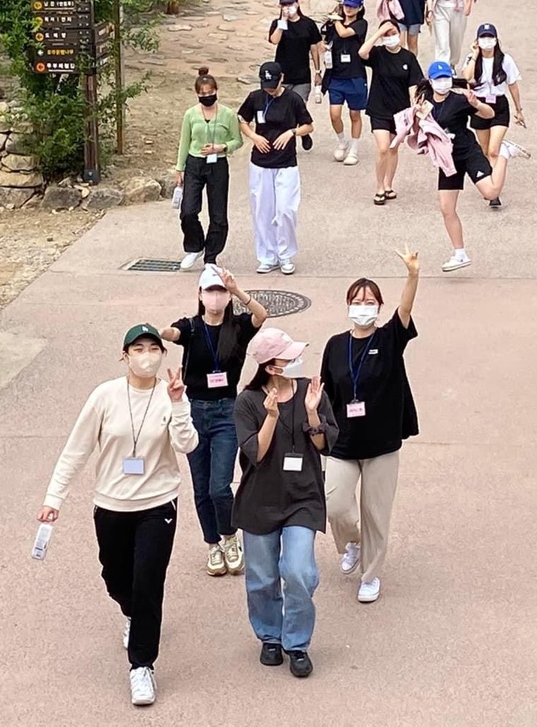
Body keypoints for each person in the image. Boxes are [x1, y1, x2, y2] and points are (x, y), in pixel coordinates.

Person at [38, 323, 197, 707]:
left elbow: (187, 444)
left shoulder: (171, 394)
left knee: (148, 582)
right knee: (116, 578)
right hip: (112, 504)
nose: (146, 356)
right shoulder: (104, 396)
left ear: (163, 354)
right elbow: (76, 449)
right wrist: (53, 498)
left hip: (158, 504)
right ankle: (130, 611)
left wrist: (178, 404)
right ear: (124, 356)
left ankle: (141, 665)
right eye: (138, 349)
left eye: (153, 349)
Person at [233, 327, 339, 679]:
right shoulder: (248, 402)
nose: (298, 360)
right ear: (271, 367)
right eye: (289, 357)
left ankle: (297, 643)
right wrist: (272, 417)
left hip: (302, 498)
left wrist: (312, 413)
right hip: (260, 501)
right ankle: (270, 636)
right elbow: (256, 453)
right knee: (262, 578)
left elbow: (325, 445)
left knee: (299, 572)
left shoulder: (312, 391)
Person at [321, 249, 420, 604]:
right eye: (357, 301)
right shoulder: (335, 345)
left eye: (369, 302)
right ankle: (353, 542)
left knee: (376, 513)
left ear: (379, 307)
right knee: (334, 503)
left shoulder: (389, 338)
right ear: (348, 305)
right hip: (343, 443)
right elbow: (326, 393)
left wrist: (412, 276)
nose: (362, 307)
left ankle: (370, 574)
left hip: (381, 443)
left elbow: (405, 309)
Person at [160, 265, 269, 579]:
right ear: (200, 294)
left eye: (220, 291)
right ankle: (212, 544)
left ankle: (230, 537)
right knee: (201, 487)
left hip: (226, 412)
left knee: (220, 487)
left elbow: (261, 315)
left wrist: (237, 290)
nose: (216, 296)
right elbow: (173, 333)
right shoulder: (192, 327)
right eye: (210, 291)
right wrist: (158, 334)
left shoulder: (238, 327)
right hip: (195, 411)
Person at [418, 60, 524, 271]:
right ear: (430, 81)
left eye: (446, 78)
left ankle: (504, 152)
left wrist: (476, 103)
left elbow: (489, 114)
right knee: (446, 208)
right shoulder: (425, 101)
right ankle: (460, 254)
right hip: (448, 159)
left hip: (468, 152)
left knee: (491, 192)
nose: (443, 82)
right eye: (438, 79)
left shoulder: (460, 99)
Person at [238, 61, 314, 274]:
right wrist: (254, 137)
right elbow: (242, 119)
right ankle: (267, 256)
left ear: (282, 79)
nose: (269, 89)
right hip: (261, 163)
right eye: (266, 85)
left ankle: (285, 253)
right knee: (262, 211)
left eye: (273, 85)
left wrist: (291, 132)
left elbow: (308, 125)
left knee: (285, 210)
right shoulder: (255, 98)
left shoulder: (293, 99)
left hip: (286, 162)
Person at [174, 68, 244, 272]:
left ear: (216, 90)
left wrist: (222, 147)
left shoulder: (228, 114)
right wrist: (179, 168)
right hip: (194, 163)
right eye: (202, 93)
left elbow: (237, 140)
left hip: (217, 164)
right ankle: (195, 246)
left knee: (218, 214)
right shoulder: (190, 114)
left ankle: (211, 255)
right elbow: (184, 142)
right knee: (188, 210)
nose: (207, 96)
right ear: (197, 94)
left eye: (210, 92)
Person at [458, 23, 527, 208]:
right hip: (479, 105)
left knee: (493, 150)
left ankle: (494, 191)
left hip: (498, 105)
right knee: (484, 149)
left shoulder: (505, 60)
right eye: (483, 37)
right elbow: (467, 77)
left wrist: (519, 110)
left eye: (490, 37)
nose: (486, 41)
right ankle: (490, 181)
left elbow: (512, 85)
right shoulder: (472, 59)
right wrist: (474, 54)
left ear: (496, 40)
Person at [358, 16, 422, 205]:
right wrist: (379, 33)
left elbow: (414, 85)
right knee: (383, 147)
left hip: (399, 111)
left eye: (393, 33)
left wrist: (414, 107)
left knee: (393, 148)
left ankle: (388, 184)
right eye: (386, 35)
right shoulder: (377, 54)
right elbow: (362, 52)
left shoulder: (408, 58)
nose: (390, 37)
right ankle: (379, 187)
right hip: (378, 108)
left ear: (400, 34)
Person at [268, 0, 324, 147]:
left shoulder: (308, 24)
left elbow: (314, 48)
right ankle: (290, 136)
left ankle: (302, 131)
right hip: (283, 75)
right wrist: (283, 22)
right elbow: (274, 40)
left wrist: (318, 71)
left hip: (302, 75)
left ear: (297, 4)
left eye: (290, 4)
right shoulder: (278, 24)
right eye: (284, 5)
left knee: (298, 107)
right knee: (283, 109)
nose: (287, 7)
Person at [322, 0, 369, 166]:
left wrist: (336, 20)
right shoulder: (334, 23)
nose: (349, 9)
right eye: (346, 5)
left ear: (359, 8)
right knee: (334, 114)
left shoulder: (361, 24)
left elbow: (344, 33)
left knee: (354, 113)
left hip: (355, 75)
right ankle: (342, 141)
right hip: (336, 75)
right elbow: (325, 39)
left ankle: (354, 149)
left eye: (353, 6)